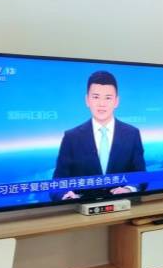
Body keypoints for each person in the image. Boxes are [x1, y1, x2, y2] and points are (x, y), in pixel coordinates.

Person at [52, 70, 145, 201]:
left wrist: (129, 189)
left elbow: (141, 176)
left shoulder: (132, 134)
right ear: (87, 100)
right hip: (80, 207)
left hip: (123, 205)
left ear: (116, 101)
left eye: (108, 98)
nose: (102, 104)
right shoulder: (71, 137)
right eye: (96, 97)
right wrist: (66, 195)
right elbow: (57, 183)